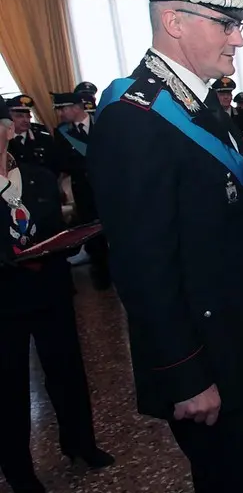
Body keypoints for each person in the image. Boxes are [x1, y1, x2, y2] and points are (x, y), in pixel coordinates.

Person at [87, 0, 243, 493]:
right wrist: (186, 375)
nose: (240, 40)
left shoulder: (198, 104)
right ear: (174, 22)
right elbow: (142, 265)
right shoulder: (132, 118)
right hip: (213, 366)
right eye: (227, 24)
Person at [0, 96, 114, 493]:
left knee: (67, 372)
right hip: (4, 303)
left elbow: (53, 229)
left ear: (8, 131)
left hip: (50, 290)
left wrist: (65, 242)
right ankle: (18, 469)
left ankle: (81, 444)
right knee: (9, 388)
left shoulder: (37, 177)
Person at [50, 91, 110, 290]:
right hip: (84, 192)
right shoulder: (61, 133)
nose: (60, 113)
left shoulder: (103, 123)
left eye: (63, 108)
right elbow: (61, 162)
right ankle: (102, 277)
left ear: (77, 107)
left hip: (110, 189)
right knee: (93, 235)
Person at [6, 95, 57, 175]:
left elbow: (55, 167)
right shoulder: (3, 139)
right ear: (9, 117)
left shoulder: (44, 138)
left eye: (28, 116)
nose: (25, 120)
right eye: (19, 116)